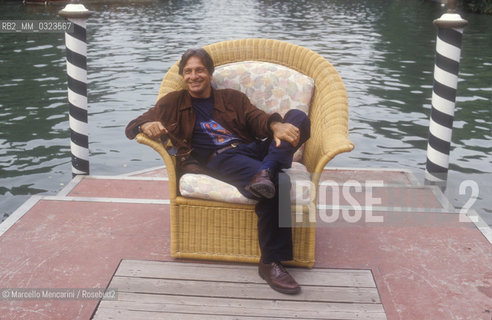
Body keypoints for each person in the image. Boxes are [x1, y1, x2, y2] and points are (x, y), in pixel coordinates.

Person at [125, 48, 310, 294]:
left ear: (210, 73)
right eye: (188, 71)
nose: (194, 76)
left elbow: (256, 118)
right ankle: (269, 262)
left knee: (297, 118)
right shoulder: (172, 103)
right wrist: (147, 124)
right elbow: (132, 126)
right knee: (278, 181)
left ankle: (266, 169)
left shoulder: (231, 98)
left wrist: (276, 125)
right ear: (183, 75)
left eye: (199, 70)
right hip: (222, 159)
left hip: (252, 148)